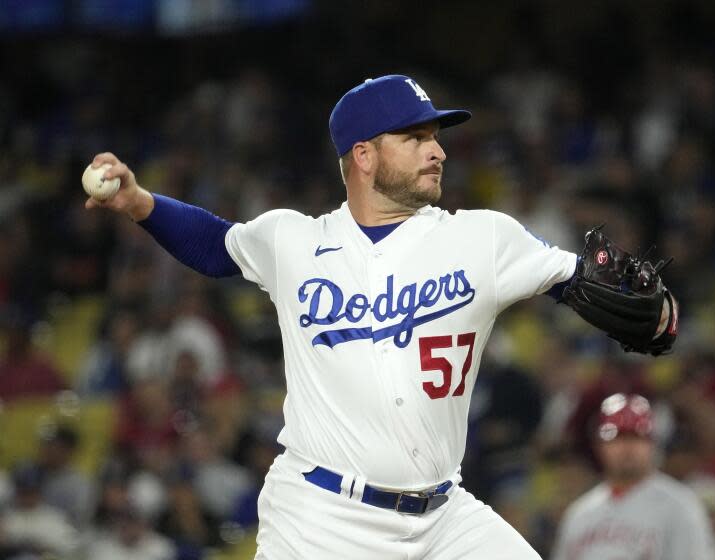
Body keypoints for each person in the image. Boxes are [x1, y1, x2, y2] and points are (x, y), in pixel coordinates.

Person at [85, 75, 676, 559]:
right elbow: (216, 246)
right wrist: (140, 203)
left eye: (436, 137)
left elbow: (587, 283)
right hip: (320, 520)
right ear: (363, 155)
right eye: (416, 138)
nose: (438, 149)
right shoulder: (294, 242)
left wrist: (653, 312)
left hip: (445, 519)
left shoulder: (484, 238)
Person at [551, 393, 715, 560]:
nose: (627, 448)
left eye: (636, 438)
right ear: (600, 446)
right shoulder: (580, 514)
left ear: (652, 444)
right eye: (618, 439)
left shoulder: (680, 506)